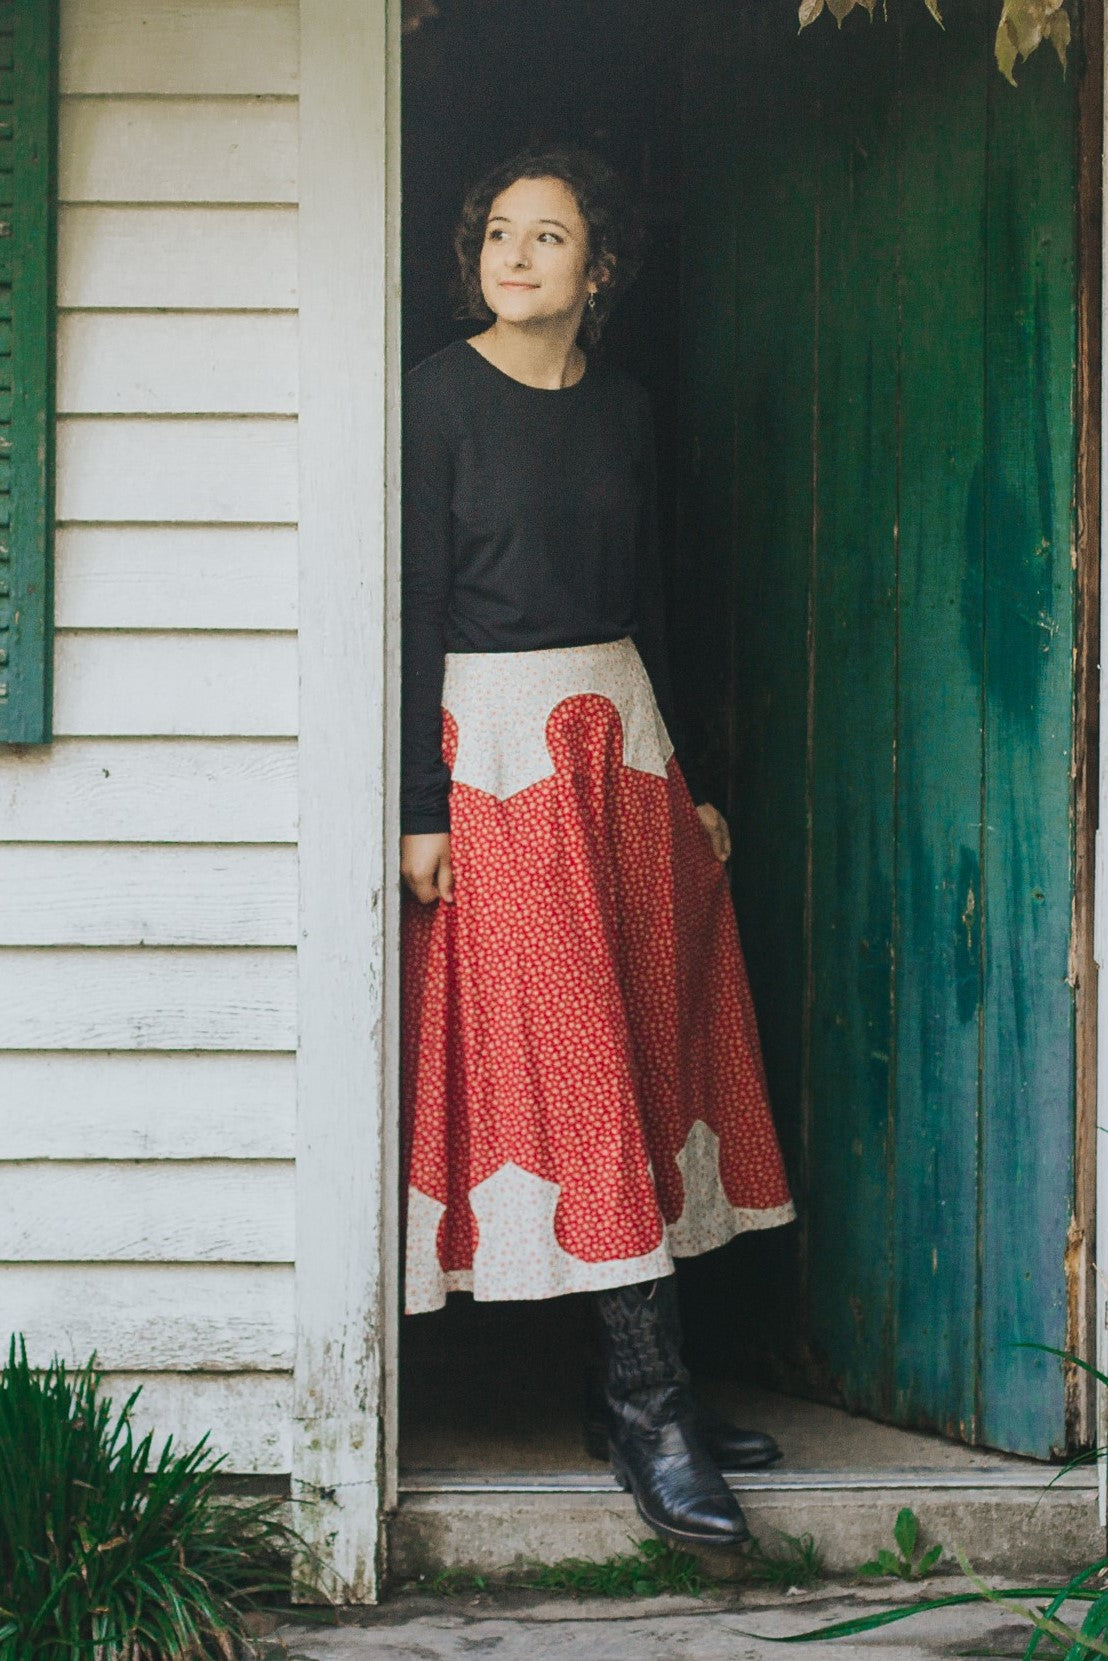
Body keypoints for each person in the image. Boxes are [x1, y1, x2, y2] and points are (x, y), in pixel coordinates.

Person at [400, 145, 795, 1551]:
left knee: (645, 1042)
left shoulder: (625, 409)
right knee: (573, 1066)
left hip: (618, 738)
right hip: (498, 754)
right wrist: (419, 805)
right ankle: (649, 1398)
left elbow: (655, 598)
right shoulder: (435, 401)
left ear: (599, 269)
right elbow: (409, 607)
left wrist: (685, 774)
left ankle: (628, 1385)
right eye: (498, 233)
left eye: (548, 236)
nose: (515, 255)